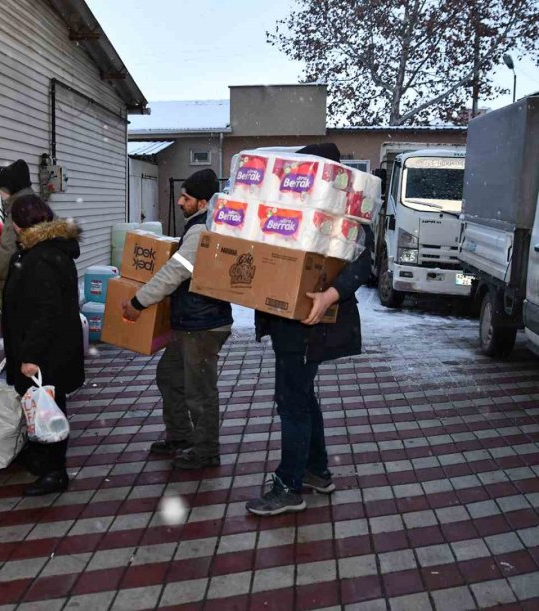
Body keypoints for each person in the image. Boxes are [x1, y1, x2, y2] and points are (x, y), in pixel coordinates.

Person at [246, 142, 374, 516]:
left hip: (307, 326)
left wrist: (330, 295)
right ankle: (317, 471)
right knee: (301, 398)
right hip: (288, 324)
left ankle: (289, 486)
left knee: (293, 404)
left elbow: (362, 262)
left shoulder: (345, 216)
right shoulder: (298, 209)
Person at [122, 169, 233, 470]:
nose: (180, 202)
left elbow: (175, 272)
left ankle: (206, 450)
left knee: (200, 391)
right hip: (192, 322)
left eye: (186, 198)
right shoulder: (199, 225)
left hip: (203, 324)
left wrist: (138, 301)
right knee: (170, 376)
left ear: (203, 202)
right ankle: (181, 436)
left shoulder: (201, 230)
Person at [2, 194, 84, 496]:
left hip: (46, 351)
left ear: (18, 225)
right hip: (54, 347)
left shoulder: (40, 258)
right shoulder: (51, 251)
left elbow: (45, 312)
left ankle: (55, 471)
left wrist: (30, 355)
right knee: (45, 406)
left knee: (49, 408)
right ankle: (42, 459)